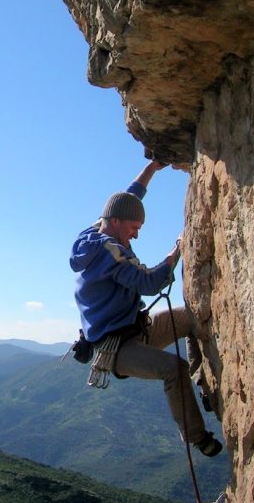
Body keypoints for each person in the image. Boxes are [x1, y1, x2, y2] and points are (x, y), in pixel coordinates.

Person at [69, 159, 222, 457]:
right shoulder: (109, 254)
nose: (136, 234)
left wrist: (152, 168)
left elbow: (127, 199)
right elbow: (149, 283)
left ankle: (202, 380)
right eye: (134, 227)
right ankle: (197, 437)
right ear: (115, 223)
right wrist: (177, 251)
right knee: (172, 369)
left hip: (135, 328)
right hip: (117, 348)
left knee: (190, 318)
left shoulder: (92, 233)